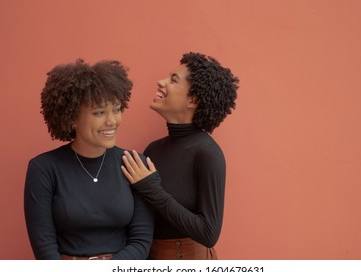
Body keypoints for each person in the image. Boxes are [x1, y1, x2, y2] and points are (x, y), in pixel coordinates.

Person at [24, 59, 154, 260]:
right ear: (72, 118)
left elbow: (141, 241)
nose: (112, 121)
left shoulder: (135, 164)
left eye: (117, 109)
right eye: (99, 112)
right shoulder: (43, 168)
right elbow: (44, 247)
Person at [121, 52, 239, 259]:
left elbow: (208, 233)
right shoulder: (152, 150)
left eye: (173, 80)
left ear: (193, 99)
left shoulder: (207, 153)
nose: (161, 82)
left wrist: (152, 189)